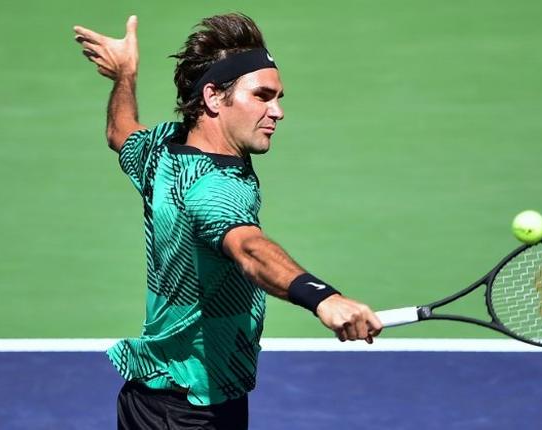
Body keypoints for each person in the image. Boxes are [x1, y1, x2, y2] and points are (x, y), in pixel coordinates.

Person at [73, 13, 383, 429]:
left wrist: (124, 75)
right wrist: (322, 297)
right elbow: (249, 250)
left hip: (153, 399)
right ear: (214, 97)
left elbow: (119, 131)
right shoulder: (216, 189)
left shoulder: (162, 150)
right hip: (191, 413)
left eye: (279, 97)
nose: (279, 111)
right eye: (263, 96)